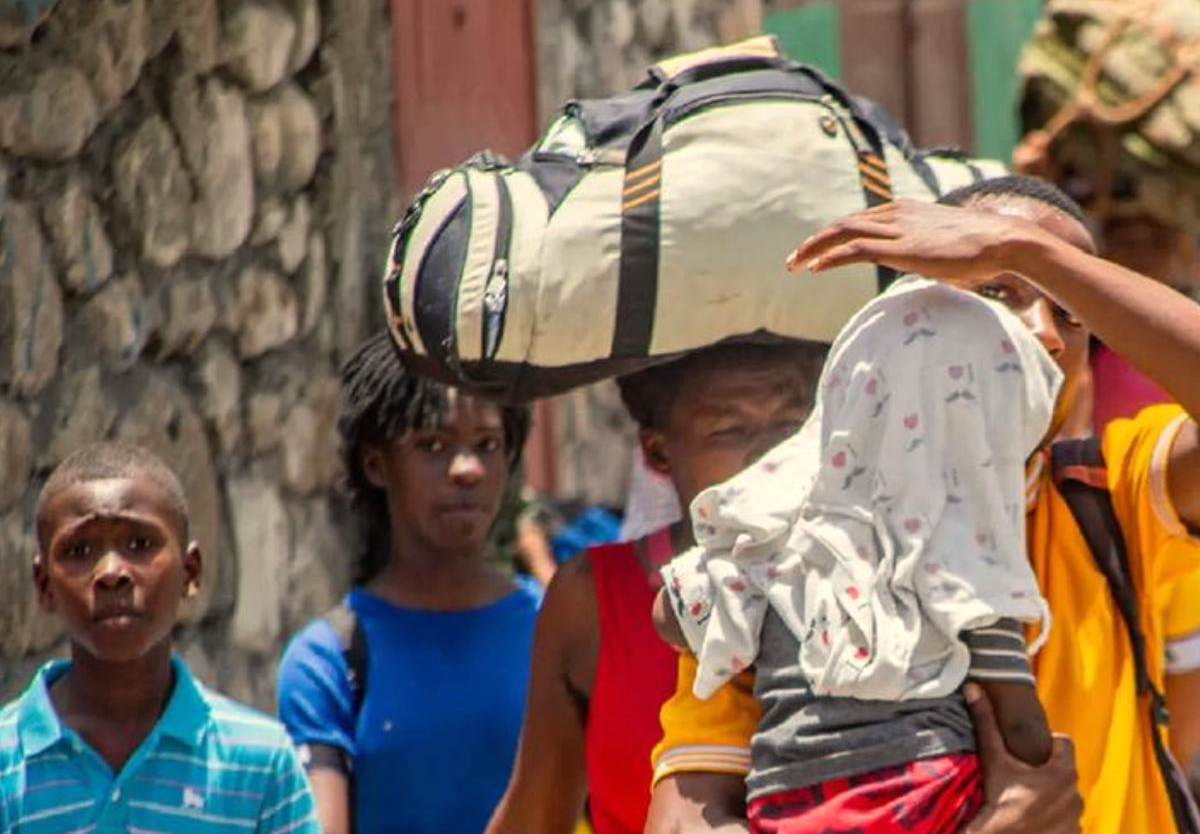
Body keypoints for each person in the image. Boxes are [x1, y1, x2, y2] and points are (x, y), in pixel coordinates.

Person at [646, 174, 1200, 834]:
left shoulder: (1114, 492)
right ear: (909, 328)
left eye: (1073, 314)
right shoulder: (780, 537)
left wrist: (1024, 250)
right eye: (996, 292)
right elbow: (685, 819)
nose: (1044, 335)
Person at [654, 275, 1063, 833]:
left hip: (788, 806)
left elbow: (674, 614)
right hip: (923, 798)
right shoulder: (967, 558)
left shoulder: (771, 526)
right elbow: (1018, 727)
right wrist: (1045, 760)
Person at [487, 340, 828, 834]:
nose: (766, 453)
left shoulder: (870, 581)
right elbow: (537, 813)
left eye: (789, 424)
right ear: (659, 452)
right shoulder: (592, 599)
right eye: (729, 430)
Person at [276, 332, 535, 834]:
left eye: (487, 444)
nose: (467, 469)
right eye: (432, 445)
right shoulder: (330, 661)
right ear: (376, 463)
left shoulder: (558, 631)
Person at [0, 442, 318, 834]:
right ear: (44, 584)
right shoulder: (7, 763)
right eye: (80, 549)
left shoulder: (259, 763)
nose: (111, 572)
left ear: (191, 572)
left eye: (139, 544)